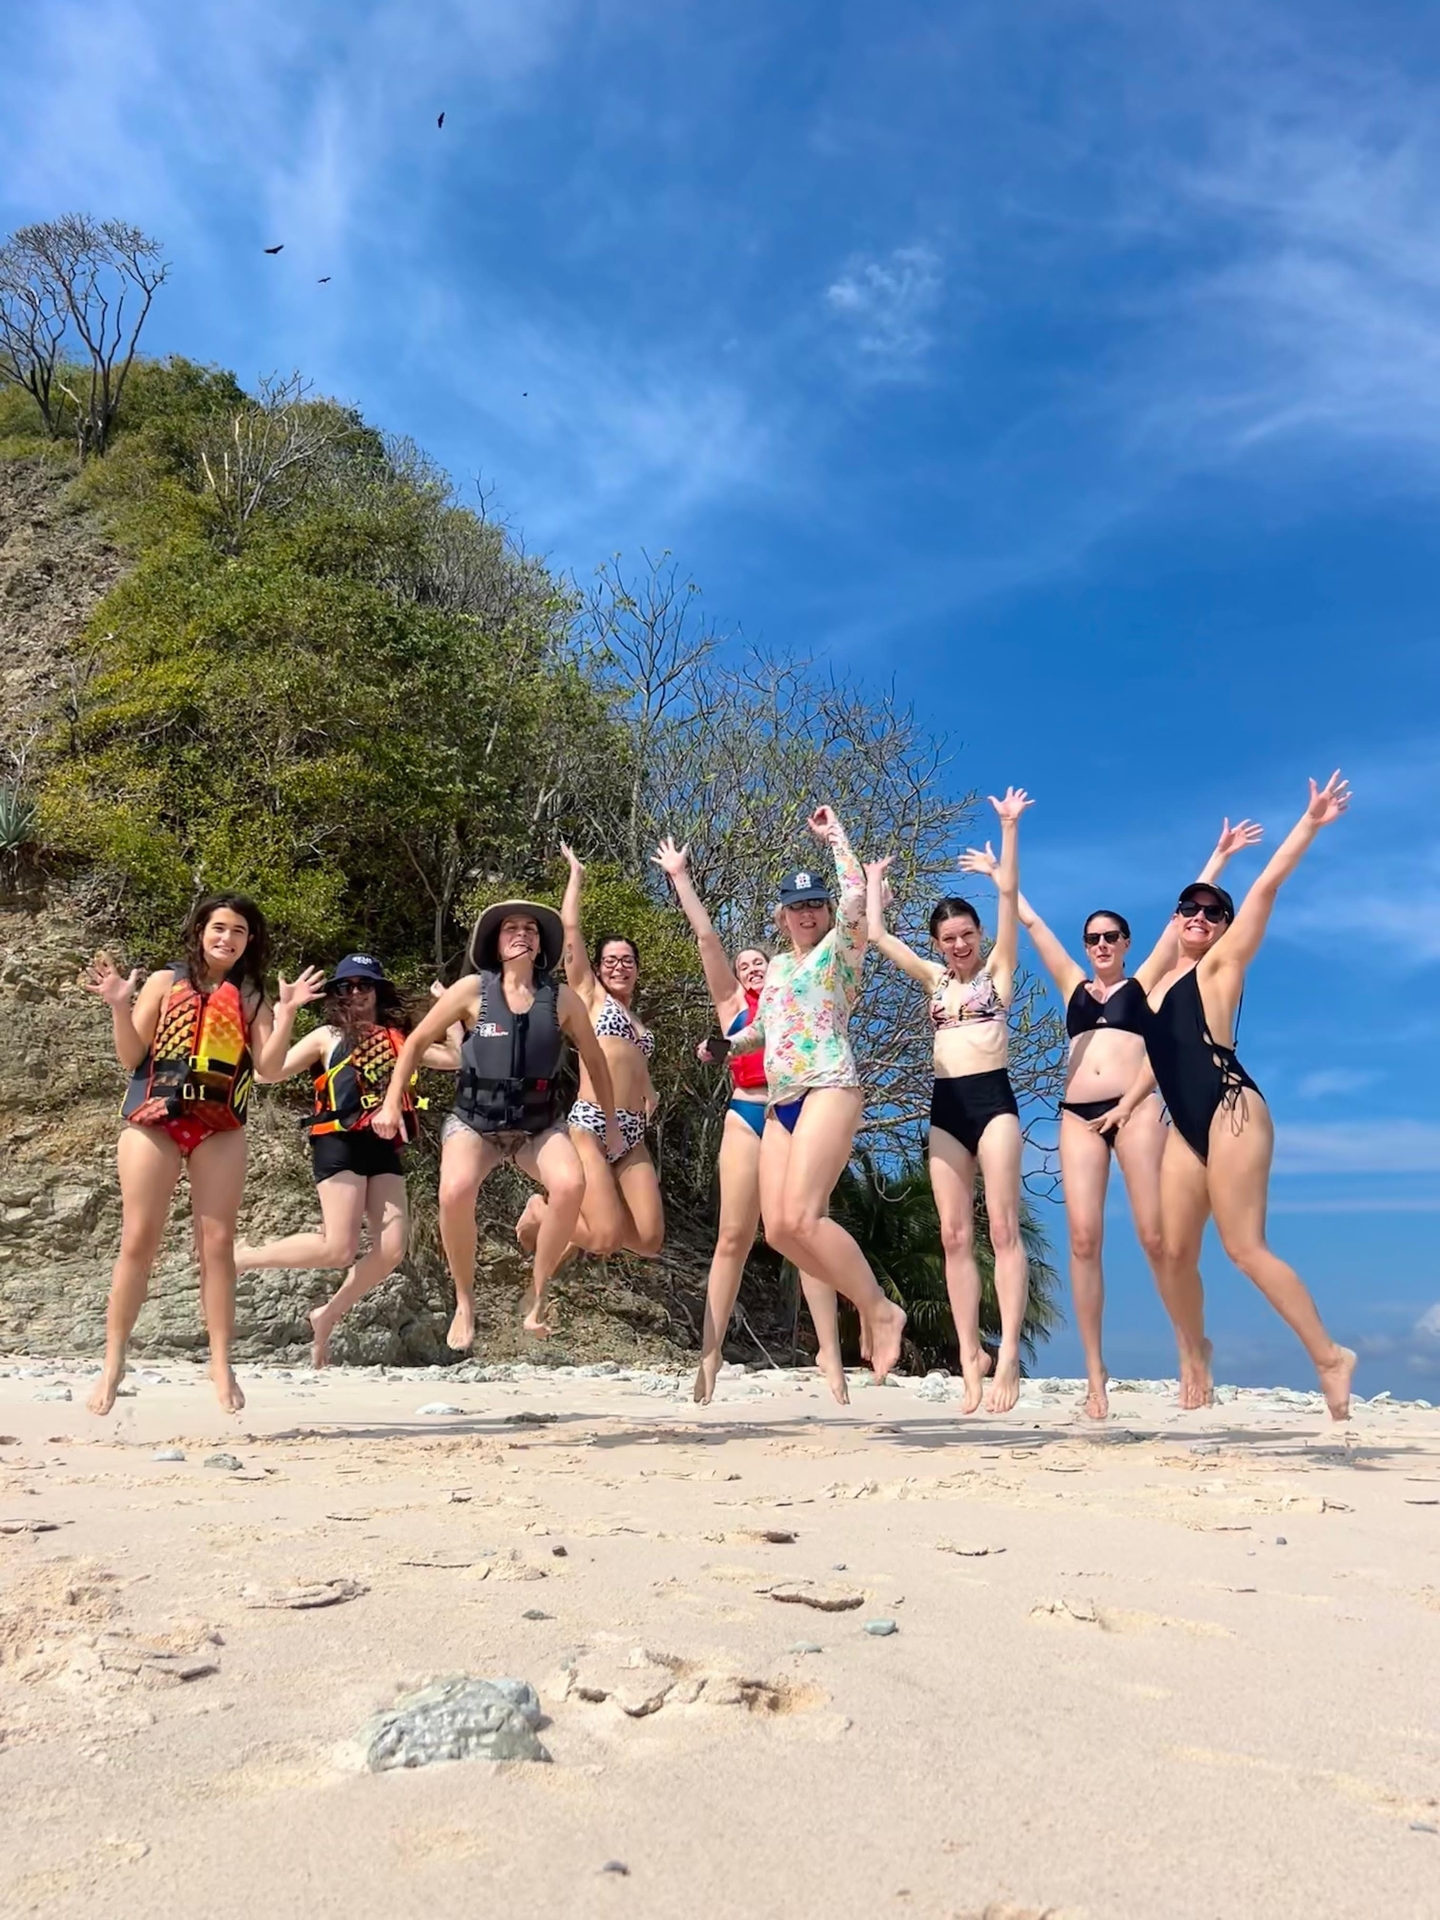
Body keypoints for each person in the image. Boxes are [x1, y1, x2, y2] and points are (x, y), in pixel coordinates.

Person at [960, 819, 1263, 1420]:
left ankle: (1190, 1348)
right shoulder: (1072, 985)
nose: (1101, 945)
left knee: (1156, 1237)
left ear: (1126, 943)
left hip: (1137, 1110)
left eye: (1111, 937)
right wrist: (1000, 873)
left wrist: (1219, 857)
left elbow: (1184, 919)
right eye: (1093, 938)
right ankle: (1095, 1374)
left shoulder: (1143, 982)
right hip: (1076, 1117)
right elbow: (1030, 923)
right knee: (1082, 1240)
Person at [1106, 774, 1356, 1417]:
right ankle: (1195, 1350)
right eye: (1189, 910)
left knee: (1243, 1247)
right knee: (1170, 1251)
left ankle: (1330, 1357)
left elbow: (1266, 886)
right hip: (1183, 1123)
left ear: (1226, 928)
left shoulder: (1220, 967)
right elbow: (1163, 1057)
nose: (1200, 917)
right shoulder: (1153, 985)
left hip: (1231, 1108)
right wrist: (1130, 1101)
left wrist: (1310, 822)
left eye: (1213, 913)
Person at [651, 835, 847, 1406]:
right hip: (747, 1110)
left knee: (806, 1230)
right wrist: (681, 878)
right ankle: (709, 1354)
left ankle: (831, 1354)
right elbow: (707, 939)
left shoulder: (799, 981)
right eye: (744, 966)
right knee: (734, 1236)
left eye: (759, 961)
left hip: (803, 1106)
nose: (753, 969)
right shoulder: (734, 1006)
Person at [372, 901, 617, 1342]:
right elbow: (416, 1043)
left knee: (570, 1185)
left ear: (540, 945)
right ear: (496, 942)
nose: (522, 934)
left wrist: (611, 1121)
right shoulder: (471, 990)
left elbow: (596, 1061)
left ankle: (537, 1295)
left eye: (530, 929)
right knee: (454, 1191)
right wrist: (391, 1103)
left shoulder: (562, 999)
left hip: (538, 1125)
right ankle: (465, 1302)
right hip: (475, 1121)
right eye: (511, 928)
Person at [726, 807, 908, 1380]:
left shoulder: (841, 950)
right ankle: (870, 1305)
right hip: (780, 1099)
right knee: (780, 1230)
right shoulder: (778, 968)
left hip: (829, 1084)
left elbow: (856, 897)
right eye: (796, 906)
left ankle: (880, 1309)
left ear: (826, 911)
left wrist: (836, 836)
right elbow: (765, 1027)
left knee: (805, 1216)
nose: (806, 913)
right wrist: (728, 1044)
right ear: (782, 916)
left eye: (815, 904)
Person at [82, 893, 282, 1416]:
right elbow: (132, 1055)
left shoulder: (252, 997)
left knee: (217, 1244)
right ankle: (113, 1361)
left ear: (250, 941)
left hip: (219, 1127)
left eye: (239, 931)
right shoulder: (163, 982)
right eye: (219, 927)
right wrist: (119, 1005)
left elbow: (270, 1068)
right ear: (200, 931)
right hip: (156, 1120)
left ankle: (220, 1362)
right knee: (138, 1238)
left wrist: (287, 1016)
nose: (227, 938)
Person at [865, 789, 1031, 1415]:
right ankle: (969, 1357)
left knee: (1003, 1227)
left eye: (966, 934)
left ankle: (1006, 1353)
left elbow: (1010, 898)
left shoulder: (998, 971)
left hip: (994, 1101)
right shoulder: (934, 980)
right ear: (937, 943)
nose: (959, 945)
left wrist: (1007, 832)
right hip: (946, 1108)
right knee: (954, 1234)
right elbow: (877, 936)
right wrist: (874, 883)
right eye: (948, 938)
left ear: (979, 935)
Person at [233, 955, 463, 1367]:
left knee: (392, 1250)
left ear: (378, 991)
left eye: (364, 985)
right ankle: (245, 1257)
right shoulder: (327, 1036)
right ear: (337, 994)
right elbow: (269, 1072)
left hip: (383, 1145)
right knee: (338, 1249)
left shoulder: (401, 1039)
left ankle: (327, 1314)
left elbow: (456, 1058)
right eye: (347, 986)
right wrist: (287, 1012)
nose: (355, 993)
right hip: (338, 1140)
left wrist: (451, 1010)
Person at [515, 843, 664, 1264]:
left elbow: (633, 1064)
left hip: (632, 1130)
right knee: (604, 1237)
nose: (620, 966)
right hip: (594, 1123)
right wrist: (576, 877)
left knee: (649, 1240)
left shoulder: (638, 1021)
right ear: (597, 968)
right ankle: (541, 1210)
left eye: (628, 960)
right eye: (611, 960)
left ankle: (566, 1220)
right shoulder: (591, 997)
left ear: (637, 968)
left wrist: (651, 1091)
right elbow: (571, 931)